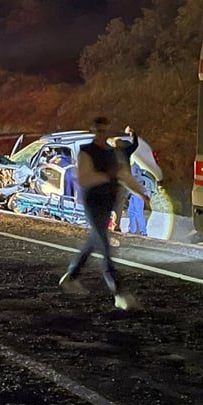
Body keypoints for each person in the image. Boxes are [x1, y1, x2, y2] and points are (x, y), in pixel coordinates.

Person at [59, 117, 150, 310]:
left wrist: (141, 194)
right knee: (104, 245)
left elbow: (124, 175)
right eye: (99, 131)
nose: (102, 134)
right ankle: (119, 292)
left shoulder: (113, 153)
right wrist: (106, 176)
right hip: (93, 202)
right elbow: (83, 178)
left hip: (108, 201)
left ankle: (71, 276)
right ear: (94, 131)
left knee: (94, 241)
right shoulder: (86, 152)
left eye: (105, 131)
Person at [112, 126, 140, 232]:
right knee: (119, 203)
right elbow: (135, 144)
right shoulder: (125, 152)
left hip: (113, 182)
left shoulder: (110, 153)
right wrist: (133, 134)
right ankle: (116, 225)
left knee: (114, 203)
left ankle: (112, 223)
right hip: (122, 182)